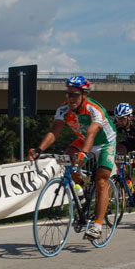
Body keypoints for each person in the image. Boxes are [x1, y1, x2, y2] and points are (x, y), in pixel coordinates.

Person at [28, 76, 116, 240]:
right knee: (67, 157)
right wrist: (39, 149)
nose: (70, 98)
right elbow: (54, 131)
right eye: (68, 94)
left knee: (101, 180)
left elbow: (91, 133)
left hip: (104, 143)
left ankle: (97, 225)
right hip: (83, 139)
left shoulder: (94, 109)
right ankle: (80, 190)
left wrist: (84, 152)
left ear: (84, 94)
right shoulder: (63, 109)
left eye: (74, 95)